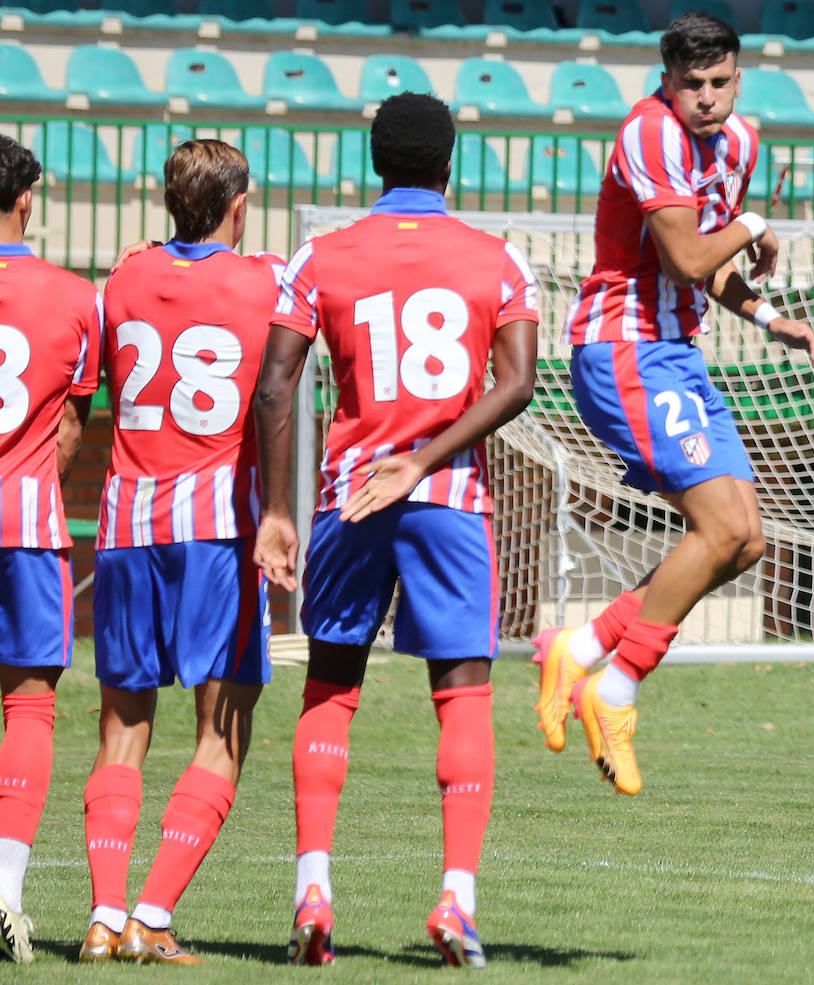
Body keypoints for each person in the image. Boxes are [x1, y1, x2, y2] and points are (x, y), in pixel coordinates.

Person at [252, 92, 538, 968]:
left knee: (331, 687)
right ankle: (457, 896)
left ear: (375, 164)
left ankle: (313, 884)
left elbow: (273, 387)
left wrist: (276, 509)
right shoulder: (497, 257)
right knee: (463, 691)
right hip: (448, 499)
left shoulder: (322, 255)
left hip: (350, 497)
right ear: (450, 165)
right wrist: (423, 459)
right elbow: (518, 382)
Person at [532, 12, 814, 796]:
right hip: (622, 350)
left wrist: (769, 316)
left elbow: (707, 267)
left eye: (719, 81)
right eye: (689, 83)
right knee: (723, 526)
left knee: (746, 540)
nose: (705, 97)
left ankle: (584, 647)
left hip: (675, 357)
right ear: (666, 81)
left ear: (737, 76)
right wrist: (754, 225)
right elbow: (694, 250)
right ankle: (615, 688)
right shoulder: (649, 134)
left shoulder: (742, 143)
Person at [79, 139, 283, 964]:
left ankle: (101, 914)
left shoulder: (122, 279)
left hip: (126, 527)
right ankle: (153, 915)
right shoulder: (266, 280)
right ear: (239, 204)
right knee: (221, 728)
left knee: (122, 731)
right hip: (215, 532)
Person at [0, 135, 102, 963]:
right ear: (26, 200)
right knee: (30, 699)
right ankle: (4, 891)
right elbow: (72, 426)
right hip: (26, 523)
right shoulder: (75, 296)